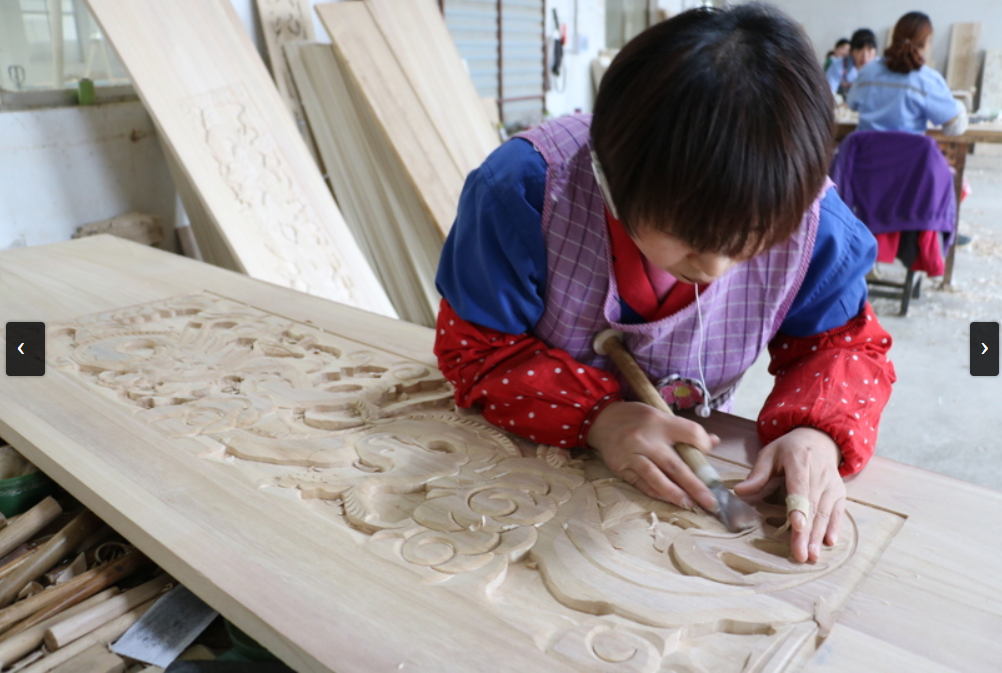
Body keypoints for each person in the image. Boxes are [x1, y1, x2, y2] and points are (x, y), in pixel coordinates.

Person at [434, 4, 895, 565]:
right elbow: (475, 351)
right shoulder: (524, 194)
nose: (715, 269)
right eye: (687, 238)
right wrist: (598, 419)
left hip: (682, 454)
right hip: (535, 463)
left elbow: (843, 347)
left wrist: (816, 433)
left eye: (749, 242)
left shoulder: (814, 227)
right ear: (611, 177)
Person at [847, 12, 967, 135]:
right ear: (927, 41)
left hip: (867, 146)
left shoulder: (867, 71)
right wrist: (959, 106)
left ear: (894, 37)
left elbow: (851, 104)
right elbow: (955, 127)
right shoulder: (927, 79)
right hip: (908, 147)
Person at [826, 29, 878, 96]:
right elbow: (829, 91)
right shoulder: (839, 65)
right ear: (851, 51)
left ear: (875, 52)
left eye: (869, 50)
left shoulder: (881, 69)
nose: (865, 56)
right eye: (860, 50)